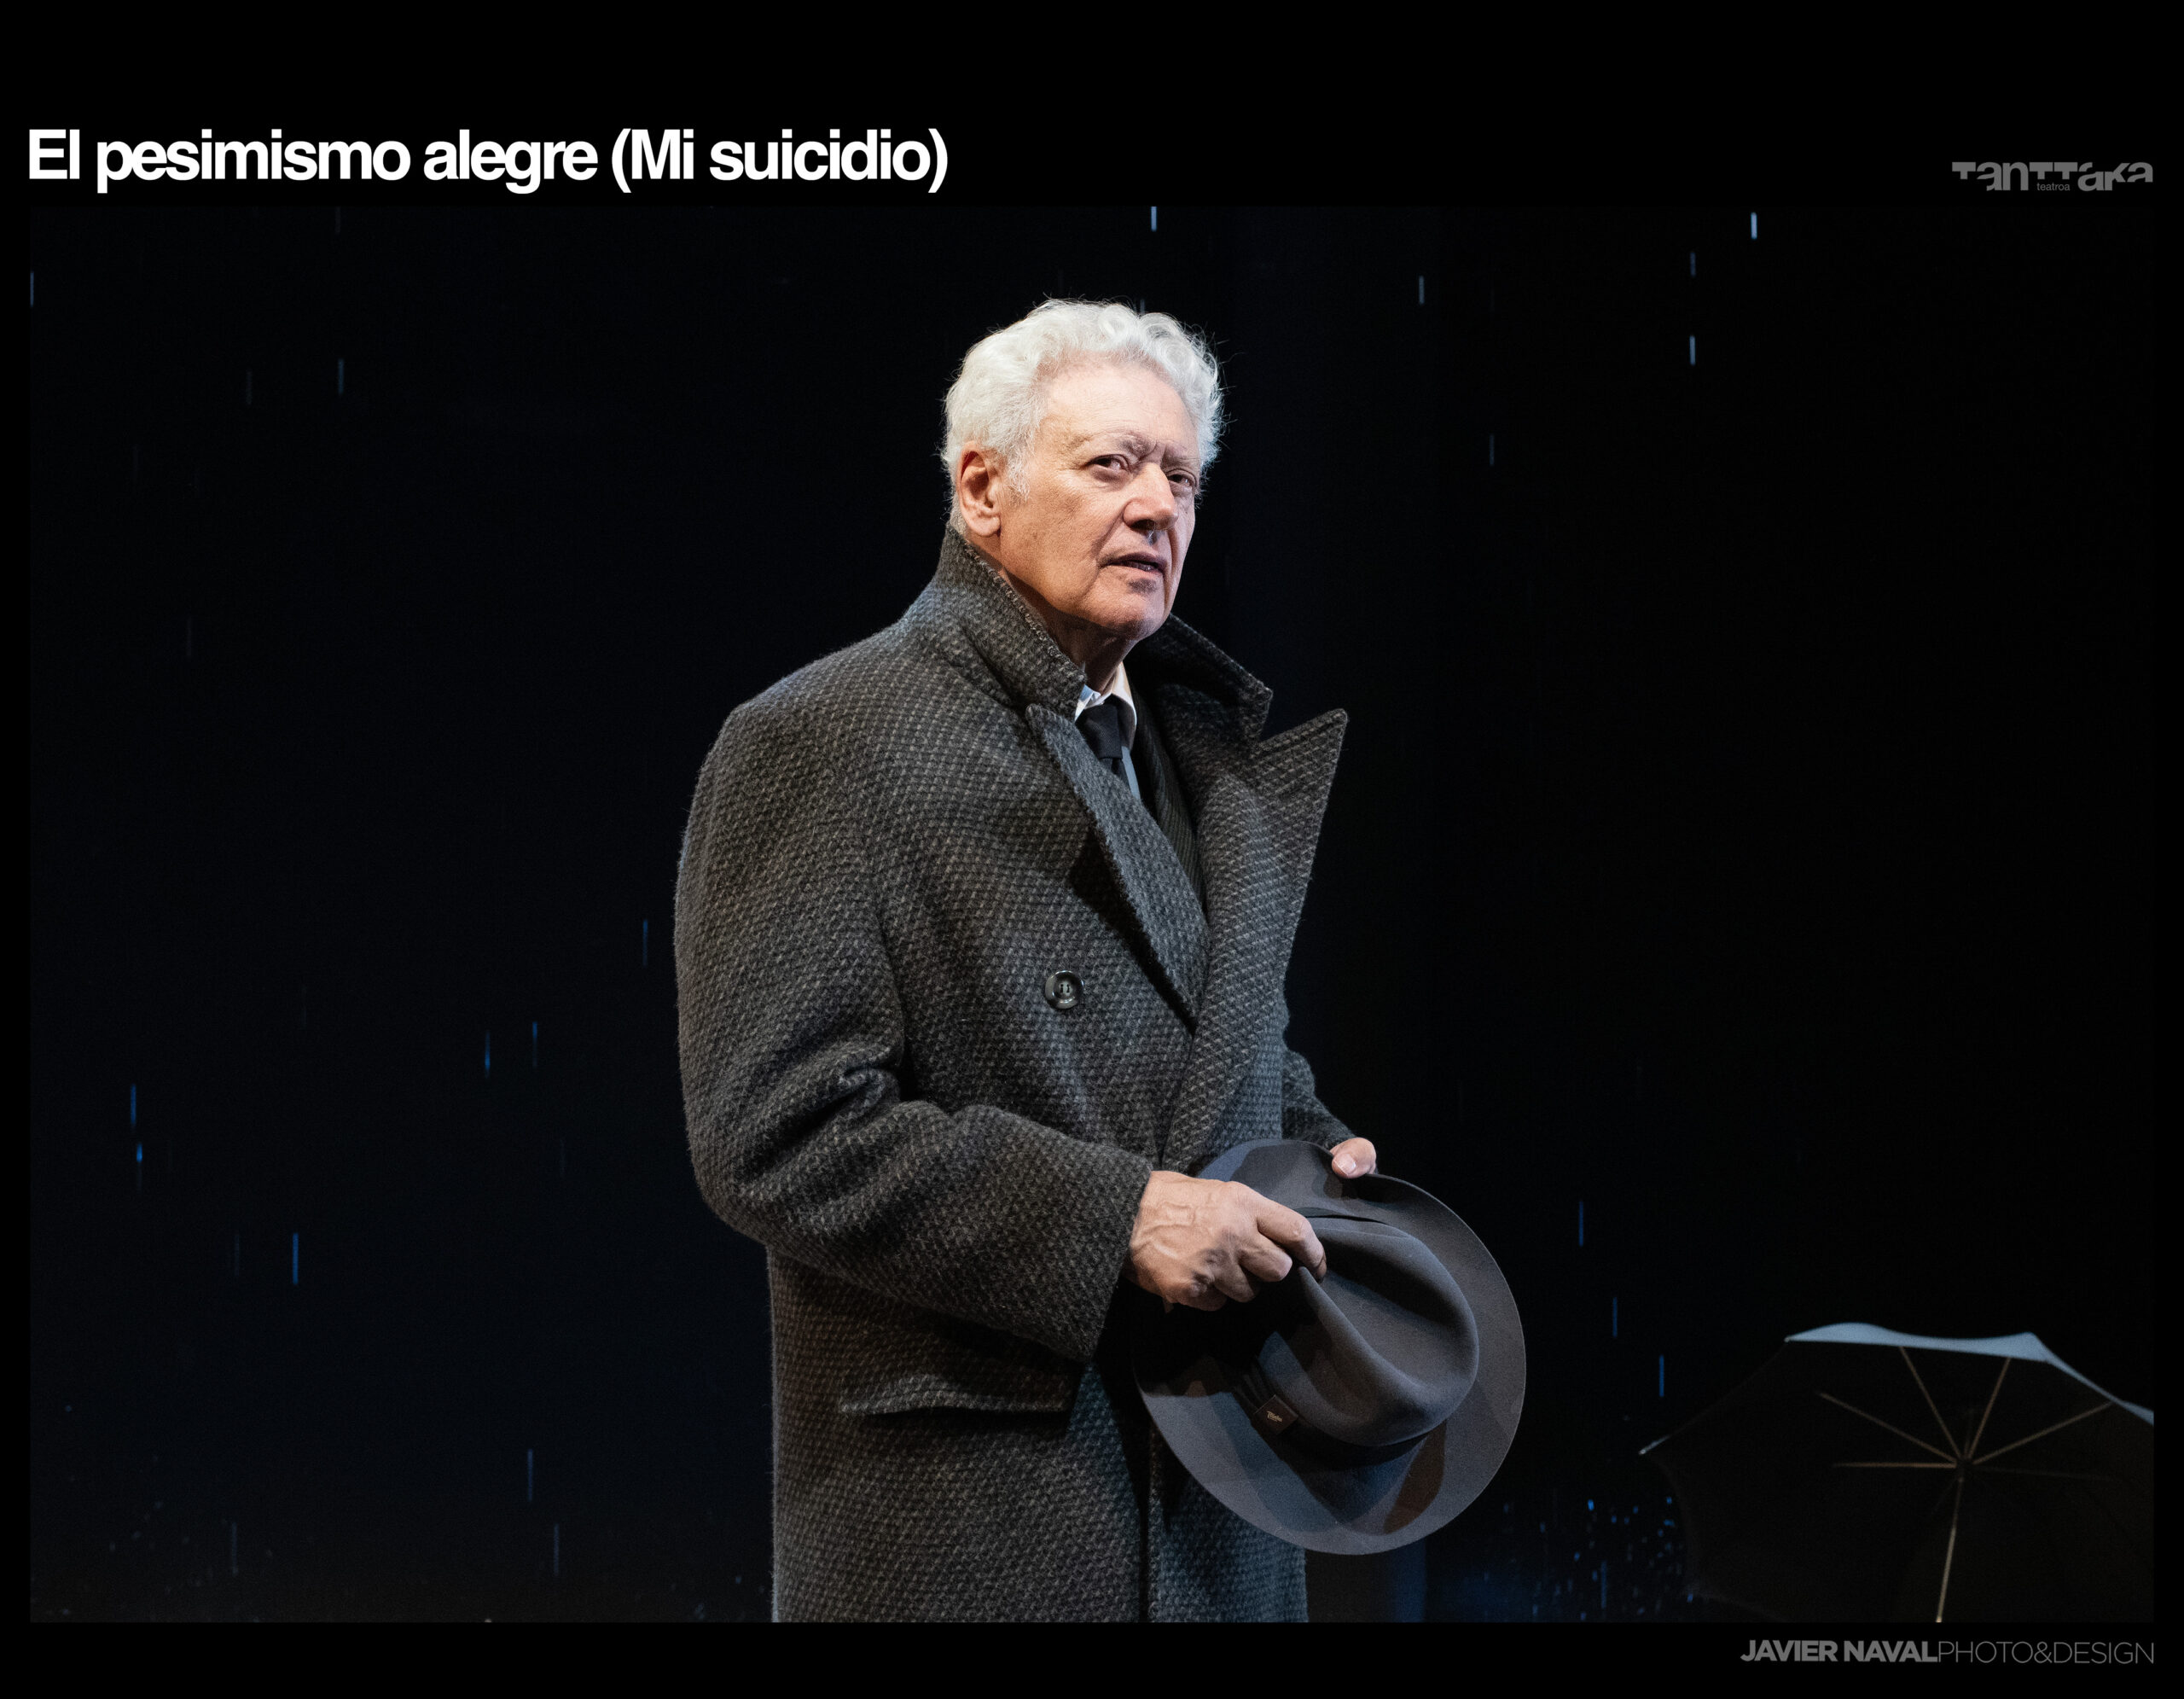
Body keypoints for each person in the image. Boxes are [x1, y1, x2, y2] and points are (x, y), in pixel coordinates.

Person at [675, 300, 1375, 1620]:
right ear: (982, 490)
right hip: (978, 1519)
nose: (1157, 506)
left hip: (1223, 1507)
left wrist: (1314, 1148)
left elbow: (1205, 1055)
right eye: (1111, 465)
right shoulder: (825, 739)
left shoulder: (1201, 757)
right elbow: (776, 1131)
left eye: (1182, 477)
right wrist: (1120, 1220)